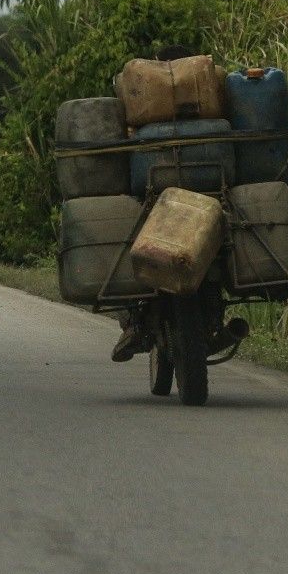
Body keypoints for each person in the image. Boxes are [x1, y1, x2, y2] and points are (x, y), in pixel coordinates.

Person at [111, 43, 203, 363]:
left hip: (154, 196)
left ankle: (134, 323)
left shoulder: (142, 110)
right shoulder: (209, 101)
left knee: (123, 239)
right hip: (208, 195)